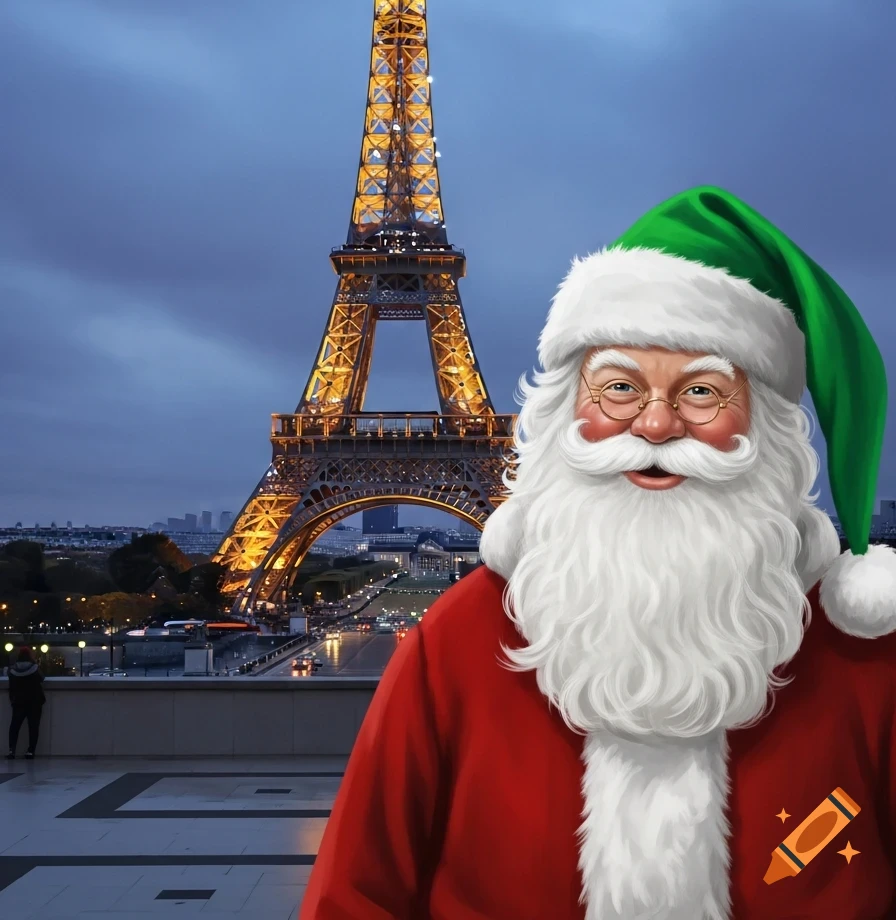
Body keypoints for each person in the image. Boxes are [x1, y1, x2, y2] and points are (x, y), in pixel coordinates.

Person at [299, 187, 895, 920]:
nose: (653, 422)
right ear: (563, 412)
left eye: (702, 392)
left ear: (764, 427)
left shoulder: (867, 659)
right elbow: (358, 894)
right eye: (618, 386)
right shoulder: (455, 644)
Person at [7, 646, 45, 759]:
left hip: (18, 701)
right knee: (33, 726)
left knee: (15, 726)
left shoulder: (13, 670)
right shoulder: (34, 668)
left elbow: (11, 684)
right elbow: (42, 678)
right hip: (34, 701)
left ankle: (11, 750)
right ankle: (30, 751)